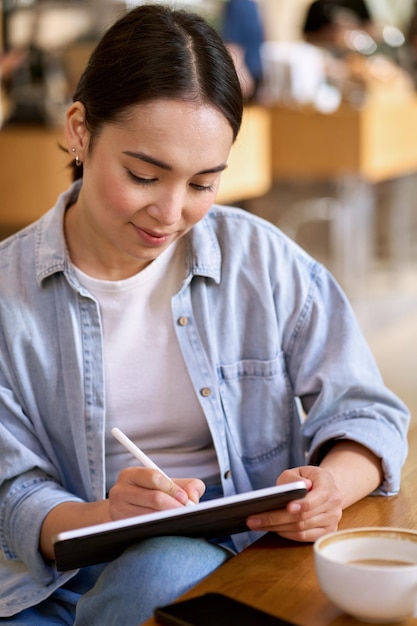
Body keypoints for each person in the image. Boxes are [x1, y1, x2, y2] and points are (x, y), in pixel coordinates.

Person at [0, 3, 409, 625]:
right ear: (80, 129)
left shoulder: (259, 260)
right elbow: (15, 494)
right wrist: (104, 519)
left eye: (202, 185)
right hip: (57, 574)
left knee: (166, 570)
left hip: (234, 548)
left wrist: (331, 488)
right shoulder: (9, 294)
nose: (170, 213)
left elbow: (366, 411)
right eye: (144, 175)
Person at [221, 0, 265, 100]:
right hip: (246, 75)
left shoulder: (254, 6)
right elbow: (232, 44)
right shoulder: (238, 5)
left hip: (256, 72)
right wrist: (241, 74)